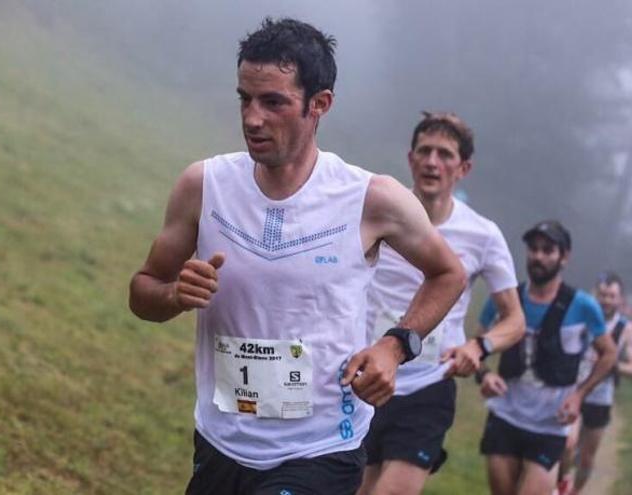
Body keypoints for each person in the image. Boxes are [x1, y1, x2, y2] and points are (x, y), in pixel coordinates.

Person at [128, 18, 466, 495]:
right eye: (245, 98)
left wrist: (394, 346)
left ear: (319, 105)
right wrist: (174, 295)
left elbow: (448, 272)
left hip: (321, 448)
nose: (252, 118)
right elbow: (142, 292)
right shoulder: (203, 186)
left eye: (273, 102)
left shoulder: (371, 199)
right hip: (223, 440)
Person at [356, 112, 525, 495]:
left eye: (445, 155)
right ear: (410, 158)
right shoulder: (378, 213)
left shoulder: (482, 235)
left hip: (428, 387)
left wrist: (478, 346)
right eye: (425, 151)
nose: (433, 162)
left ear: (463, 167)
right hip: (367, 377)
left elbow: (514, 319)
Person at [476, 221, 617, 495]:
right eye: (534, 249)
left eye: (548, 250)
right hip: (505, 416)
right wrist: (485, 374)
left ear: (564, 257)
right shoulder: (506, 298)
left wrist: (579, 395)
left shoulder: (583, 306)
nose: (538, 256)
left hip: (551, 425)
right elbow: (474, 344)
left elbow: (609, 354)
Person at [556, 272, 632, 495]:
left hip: (601, 398)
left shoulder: (625, 329)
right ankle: (560, 483)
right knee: (568, 445)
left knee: (587, 458)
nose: (606, 300)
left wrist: (612, 365)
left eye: (611, 296)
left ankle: (574, 491)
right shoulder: (582, 316)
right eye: (603, 295)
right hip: (574, 392)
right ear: (594, 294)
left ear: (620, 300)